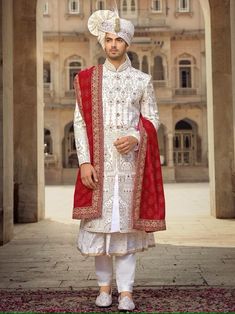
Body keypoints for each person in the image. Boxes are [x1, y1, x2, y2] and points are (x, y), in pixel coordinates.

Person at [73, 9, 166, 312]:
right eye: (108, 39)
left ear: (128, 43)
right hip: (99, 166)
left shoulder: (141, 80)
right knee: (101, 230)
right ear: (103, 43)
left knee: (124, 230)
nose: (113, 45)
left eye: (118, 40)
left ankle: (125, 292)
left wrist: (137, 138)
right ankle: (103, 288)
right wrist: (85, 162)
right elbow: (80, 123)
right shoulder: (88, 79)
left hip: (129, 168)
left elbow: (152, 117)